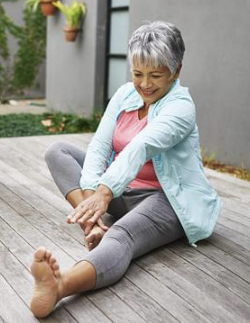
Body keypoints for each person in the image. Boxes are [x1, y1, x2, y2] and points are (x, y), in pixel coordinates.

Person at [29, 21, 223, 318]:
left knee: (120, 236)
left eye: (156, 75)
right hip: (123, 192)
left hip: (167, 200)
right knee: (58, 152)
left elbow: (141, 146)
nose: (144, 84)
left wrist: (104, 193)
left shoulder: (181, 107)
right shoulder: (124, 95)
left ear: (177, 70)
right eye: (137, 74)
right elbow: (100, 146)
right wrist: (93, 196)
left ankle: (60, 285)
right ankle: (91, 223)